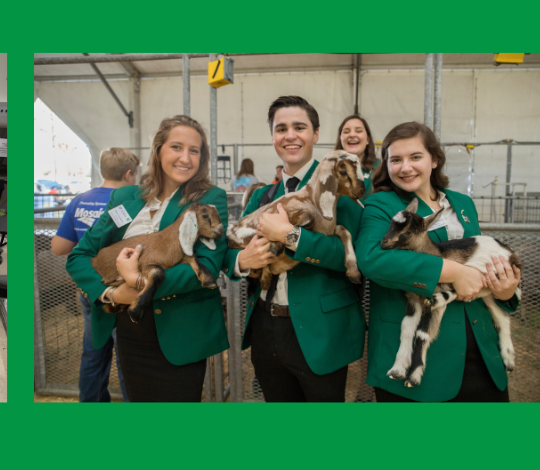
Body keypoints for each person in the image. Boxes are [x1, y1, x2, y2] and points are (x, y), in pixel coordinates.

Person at [65, 115, 229, 402]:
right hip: (130, 330)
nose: (185, 158)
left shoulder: (208, 199)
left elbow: (207, 266)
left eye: (194, 150)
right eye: (176, 147)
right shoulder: (125, 198)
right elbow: (79, 256)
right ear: (158, 150)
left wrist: (139, 283)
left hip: (180, 331)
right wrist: (112, 293)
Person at [357, 121, 522, 402]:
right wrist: (453, 272)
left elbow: (482, 261)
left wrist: (506, 292)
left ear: (434, 159)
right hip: (420, 354)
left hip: (480, 348)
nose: (405, 167)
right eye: (395, 160)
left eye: (415, 157)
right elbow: (372, 259)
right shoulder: (381, 204)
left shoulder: (462, 203)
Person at [224, 96, 366, 402]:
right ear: (273, 137)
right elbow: (231, 249)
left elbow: (352, 258)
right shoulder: (262, 195)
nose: (290, 136)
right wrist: (242, 260)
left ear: (315, 134)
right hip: (265, 326)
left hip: (321, 332)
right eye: (281, 129)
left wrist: (290, 235)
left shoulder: (342, 190)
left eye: (299, 127)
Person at [51, 147, 139, 402]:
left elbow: (59, 248)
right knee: (127, 353)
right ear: (129, 174)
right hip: (121, 288)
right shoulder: (129, 202)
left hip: (90, 287)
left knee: (94, 350)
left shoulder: (79, 200)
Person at [335, 114, 378, 183]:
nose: (352, 135)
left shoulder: (380, 167)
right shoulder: (330, 168)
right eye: (346, 132)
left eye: (358, 131)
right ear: (340, 139)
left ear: (368, 139)